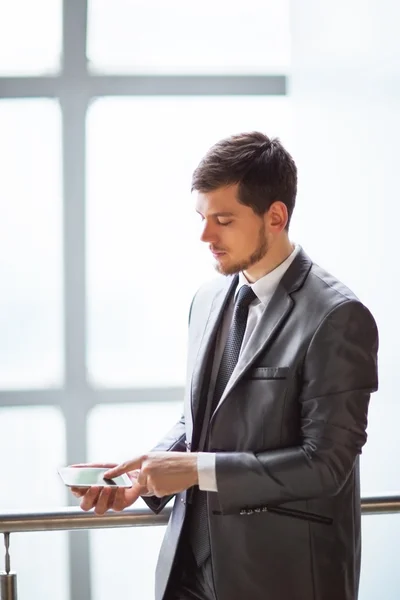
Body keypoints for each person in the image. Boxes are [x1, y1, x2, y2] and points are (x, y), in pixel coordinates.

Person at [72, 131, 379, 600]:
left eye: (223, 219)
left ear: (275, 216)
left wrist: (196, 469)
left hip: (282, 576)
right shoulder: (208, 298)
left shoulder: (337, 317)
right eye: (201, 217)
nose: (204, 235)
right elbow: (199, 418)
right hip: (188, 574)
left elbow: (327, 464)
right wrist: (146, 475)